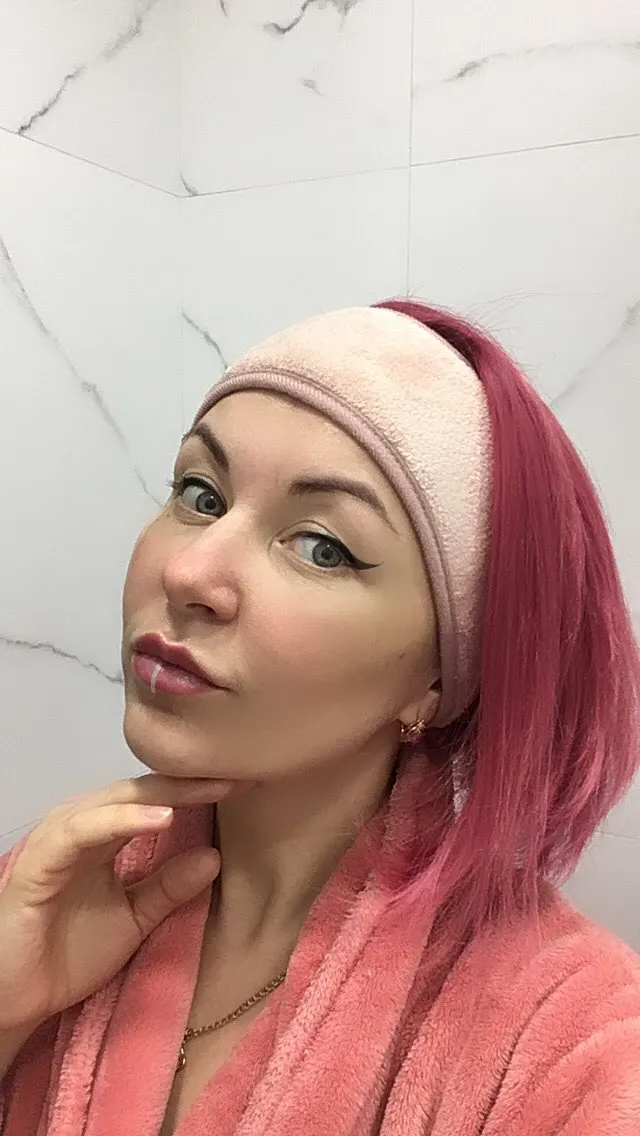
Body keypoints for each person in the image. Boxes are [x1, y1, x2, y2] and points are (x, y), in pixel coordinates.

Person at [0, 300, 639, 1136]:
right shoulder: (42, 897)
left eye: (321, 547)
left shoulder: (577, 1046)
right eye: (200, 494)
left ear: (438, 679)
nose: (190, 573)